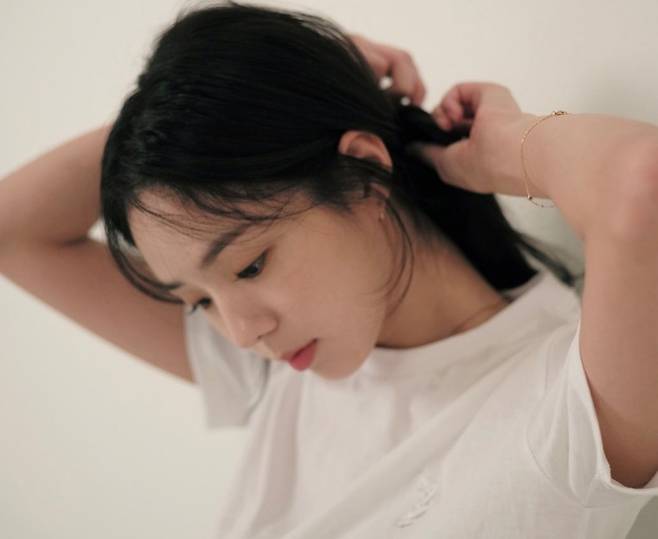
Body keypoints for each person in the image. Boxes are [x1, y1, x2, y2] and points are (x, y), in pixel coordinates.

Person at [1, 2, 657, 537]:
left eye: (250, 265)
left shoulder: (567, 402)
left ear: (365, 172)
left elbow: (642, 185)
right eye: (199, 300)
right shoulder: (283, 367)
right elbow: (13, 234)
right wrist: (200, 107)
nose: (242, 332)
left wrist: (508, 146)